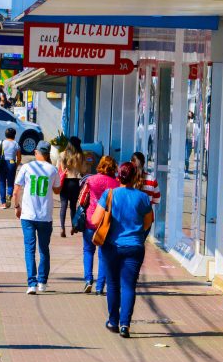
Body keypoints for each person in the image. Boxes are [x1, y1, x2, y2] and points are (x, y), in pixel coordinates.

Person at [91, 162, 153, 338]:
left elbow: (95, 220)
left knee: (113, 284)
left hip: (111, 246)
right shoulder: (142, 197)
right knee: (129, 286)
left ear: (119, 176)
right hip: (134, 246)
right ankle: (125, 325)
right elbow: (148, 222)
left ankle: (113, 321)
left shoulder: (109, 194)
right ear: (135, 177)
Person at [12, 140, 62, 294]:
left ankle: (31, 283)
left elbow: (16, 190)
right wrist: (62, 177)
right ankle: (42, 282)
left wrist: (17, 206)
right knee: (44, 249)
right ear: (48, 154)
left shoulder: (26, 167)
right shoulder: (53, 170)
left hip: (28, 215)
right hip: (45, 216)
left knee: (29, 249)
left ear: (36, 152)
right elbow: (57, 191)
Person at [81, 156, 119, 295]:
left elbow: (82, 199)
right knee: (104, 255)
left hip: (90, 220)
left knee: (88, 251)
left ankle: (88, 280)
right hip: (107, 224)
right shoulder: (116, 184)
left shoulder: (90, 180)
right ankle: (100, 286)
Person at [58, 137, 85, 238]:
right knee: (73, 206)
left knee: (63, 205)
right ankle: (73, 226)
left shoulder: (62, 155)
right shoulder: (80, 156)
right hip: (75, 183)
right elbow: (83, 170)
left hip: (64, 182)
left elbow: (58, 169)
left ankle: (62, 227)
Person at [0, 127, 22, 209]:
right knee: (10, 183)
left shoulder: (1, 142)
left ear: (5, 134)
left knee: (2, 182)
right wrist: (16, 165)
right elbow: (19, 157)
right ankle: (9, 196)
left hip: (2, 162)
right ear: (14, 135)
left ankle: (3, 203)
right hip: (11, 163)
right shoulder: (16, 144)